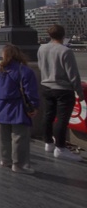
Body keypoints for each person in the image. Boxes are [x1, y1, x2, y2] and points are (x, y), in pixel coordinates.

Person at [0, 44, 39, 174]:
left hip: (1, 106)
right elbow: (31, 92)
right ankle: (19, 165)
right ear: (18, 54)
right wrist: (34, 106)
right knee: (19, 136)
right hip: (18, 108)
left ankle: (5, 160)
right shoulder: (25, 71)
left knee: (3, 136)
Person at [38, 24, 85, 161]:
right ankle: (60, 148)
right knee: (62, 119)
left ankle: (48, 143)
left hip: (46, 87)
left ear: (49, 35)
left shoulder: (41, 48)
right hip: (63, 90)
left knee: (48, 115)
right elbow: (73, 74)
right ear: (63, 36)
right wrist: (79, 93)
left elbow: (42, 67)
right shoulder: (65, 51)